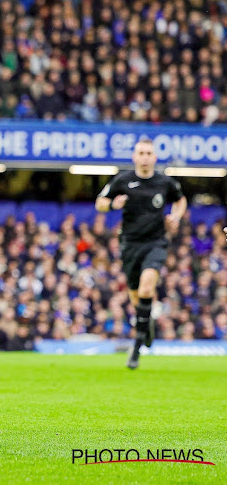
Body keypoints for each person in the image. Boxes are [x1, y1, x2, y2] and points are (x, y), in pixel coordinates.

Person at [96, 138, 187, 369]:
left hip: (156, 242)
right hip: (129, 245)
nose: (145, 157)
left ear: (154, 158)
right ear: (134, 157)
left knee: (148, 287)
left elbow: (180, 200)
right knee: (137, 298)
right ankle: (147, 326)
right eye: (141, 153)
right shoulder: (123, 180)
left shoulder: (164, 182)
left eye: (149, 153)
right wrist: (112, 205)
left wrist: (175, 217)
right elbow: (100, 202)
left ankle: (136, 347)